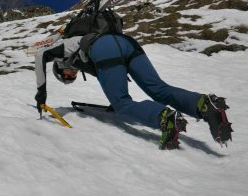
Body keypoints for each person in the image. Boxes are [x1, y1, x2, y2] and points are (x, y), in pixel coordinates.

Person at [34, 32, 233, 149]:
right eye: (71, 78)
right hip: (126, 42)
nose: (71, 75)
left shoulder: (63, 50)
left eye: (67, 76)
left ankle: (164, 118)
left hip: (103, 47)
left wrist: (41, 93)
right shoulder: (83, 51)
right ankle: (205, 104)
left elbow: (40, 54)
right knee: (159, 89)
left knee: (122, 103)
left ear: (60, 67)